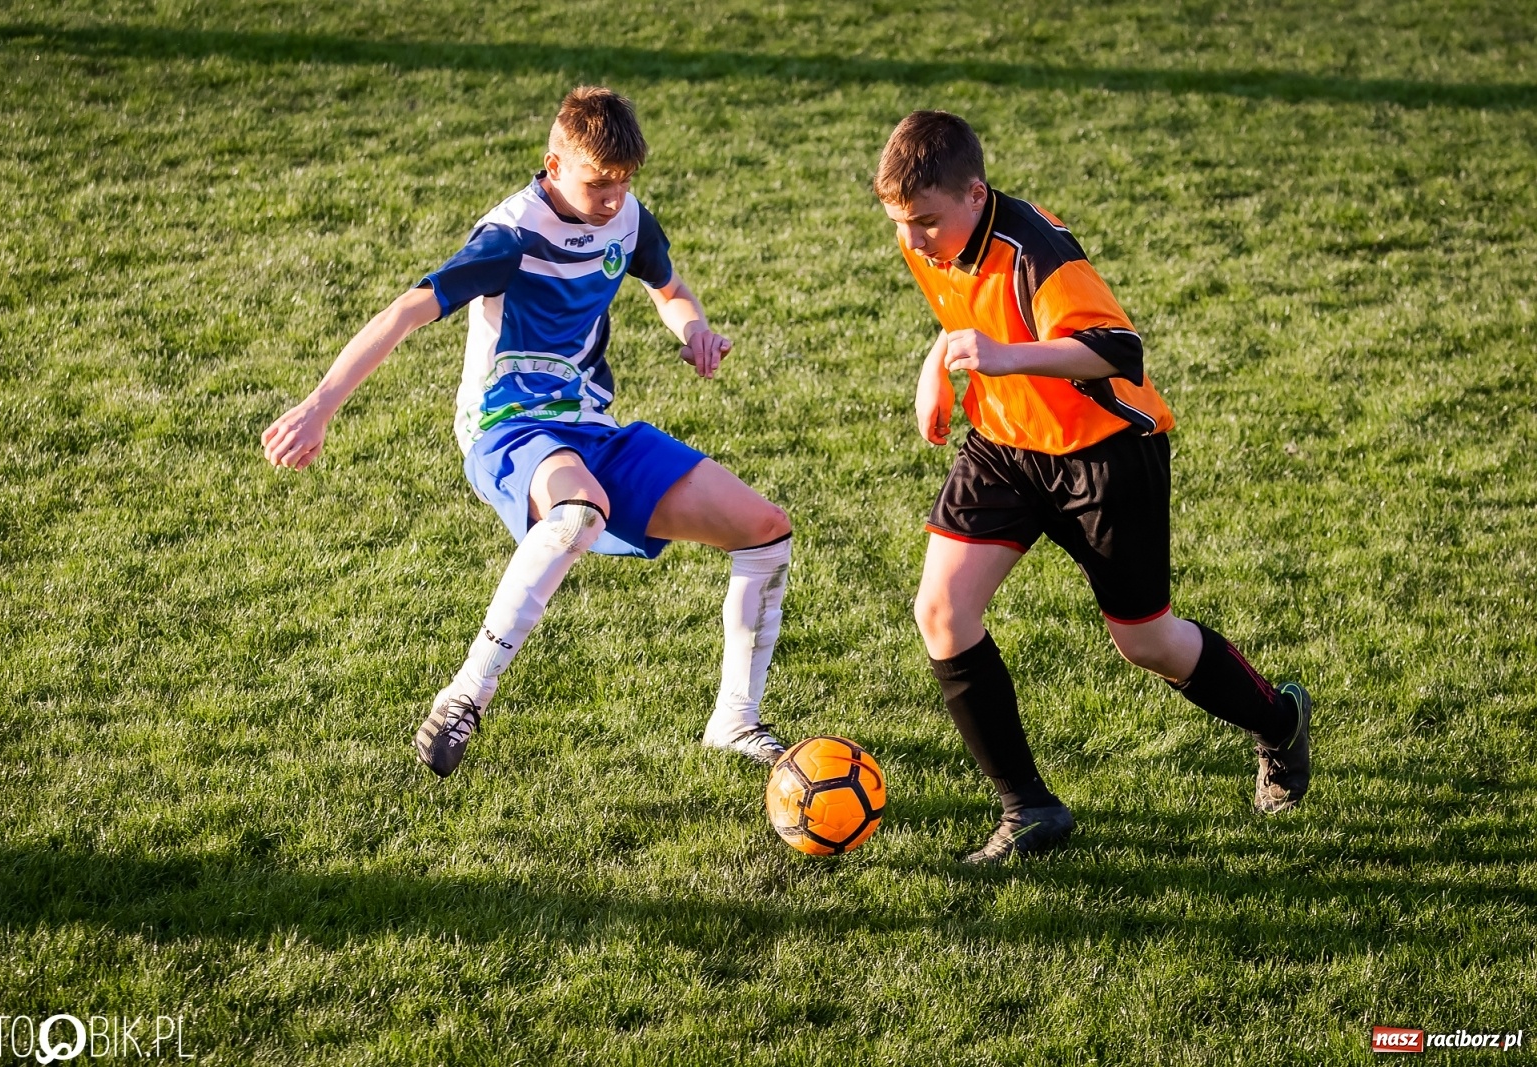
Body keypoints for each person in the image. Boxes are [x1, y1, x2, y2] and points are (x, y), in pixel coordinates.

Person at [261, 86, 793, 776]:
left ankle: (735, 722)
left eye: (625, 182)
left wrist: (694, 331)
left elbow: (670, 290)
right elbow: (403, 313)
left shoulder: (629, 219)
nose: (613, 198)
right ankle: (464, 696)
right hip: (505, 425)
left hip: (591, 424)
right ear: (554, 164)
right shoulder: (511, 235)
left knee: (764, 529)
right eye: (598, 183)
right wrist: (319, 405)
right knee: (578, 512)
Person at [874, 110, 1311, 863]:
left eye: (924, 223)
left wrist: (1005, 358)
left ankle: (1278, 719)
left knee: (1146, 641)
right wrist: (935, 371)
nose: (911, 240)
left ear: (975, 195)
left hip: (1104, 455)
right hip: (1006, 447)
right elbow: (960, 312)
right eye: (898, 223)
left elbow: (1118, 350)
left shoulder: (1038, 253)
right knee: (941, 611)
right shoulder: (934, 232)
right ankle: (1030, 808)